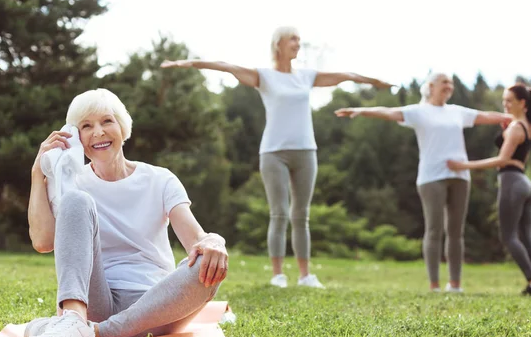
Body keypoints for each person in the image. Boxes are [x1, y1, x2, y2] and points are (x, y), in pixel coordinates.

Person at [161, 26, 393, 289]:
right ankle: (278, 275)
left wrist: (376, 82)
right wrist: (187, 63)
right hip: (273, 153)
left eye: (299, 39)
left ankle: (305, 276)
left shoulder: (306, 76)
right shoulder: (265, 76)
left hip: (306, 151)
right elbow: (225, 66)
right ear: (278, 44)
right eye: (293, 39)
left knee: (301, 214)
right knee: (280, 213)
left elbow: (346, 76)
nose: (298, 43)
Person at [24, 88, 228, 337]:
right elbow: (42, 242)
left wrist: (215, 241)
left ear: (122, 127)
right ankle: (74, 321)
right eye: (86, 126)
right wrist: (38, 172)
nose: (98, 132)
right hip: (97, 302)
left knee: (208, 263)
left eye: (107, 121)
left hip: (156, 307)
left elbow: (196, 241)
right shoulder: (72, 184)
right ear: (77, 138)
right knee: (76, 200)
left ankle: (93, 335)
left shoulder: (160, 179)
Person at [335, 73, 513, 293]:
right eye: (444, 82)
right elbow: (389, 113)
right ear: (431, 86)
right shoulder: (419, 112)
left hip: (460, 176)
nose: (449, 86)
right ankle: (434, 285)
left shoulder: (457, 112)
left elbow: (486, 116)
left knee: (456, 231)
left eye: (451, 83)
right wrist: (361, 110)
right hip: (431, 177)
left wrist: (513, 118)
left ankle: (455, 285)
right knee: (434, 229)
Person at [447, 84, 531, 296]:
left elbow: (502, 159)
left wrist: (463, 165)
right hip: (525, 183)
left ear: (523, 103)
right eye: (504, 100)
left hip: (512, 181)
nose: (505, 104)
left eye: (510, 100)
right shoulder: (528, 126)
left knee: (509, 236)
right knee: (526, 237)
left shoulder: (515, 128)